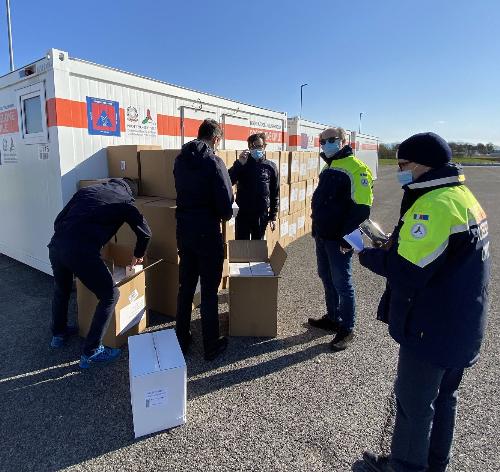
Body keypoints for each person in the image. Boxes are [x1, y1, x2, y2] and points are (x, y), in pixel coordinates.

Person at [359, 133, 490, 472]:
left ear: (420, 164)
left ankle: (404, 466)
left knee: (414, 404)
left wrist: (366, 253)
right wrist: (398, 243)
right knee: (445, 399)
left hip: (431, 327)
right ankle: (434, 464)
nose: (401, 171)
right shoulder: (461, 195)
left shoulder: (432, 205)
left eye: (403, 165)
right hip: (462, 321)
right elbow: (437, 254)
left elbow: (408, 271)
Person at [48, 178, 151, 369]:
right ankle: (92, 351)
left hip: (56, 245)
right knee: (111, 294)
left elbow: (58, 220)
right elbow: (145, 233)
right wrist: (138, 254)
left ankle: (58, 334)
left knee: (61, 289)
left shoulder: (87, 191)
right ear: (130, 193)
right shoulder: (125, 201)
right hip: (81, 251)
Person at [308, 127, 373, 350]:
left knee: (342, 282)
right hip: (323, 235)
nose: (326, 144)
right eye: (323, 141)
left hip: (340, 240)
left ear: (344, 141)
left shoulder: (357, 169)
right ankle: (333, 318)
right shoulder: (329, 166)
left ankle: (347, 327)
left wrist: (349, 239)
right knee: (325, 276)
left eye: (331, 140)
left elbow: (362, 209)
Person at [174, 119, 234, 361]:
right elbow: (225, 202)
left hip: (184, 230)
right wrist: (225, 212)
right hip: (207, 232)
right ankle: (211, 344)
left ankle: (181, 338)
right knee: (209, 290)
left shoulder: (179, 160)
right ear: (216, 139)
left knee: (186, 287)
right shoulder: (214, 162)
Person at [228, 133, 279, 240]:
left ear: (264, 146)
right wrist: (239, 163)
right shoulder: (242, 164)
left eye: (259, 146)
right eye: (252, 147)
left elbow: (275, 192)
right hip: (243, 213)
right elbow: (228, 181)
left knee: (258, 248)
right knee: (242, 247)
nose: (256, 149)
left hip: (261, 214)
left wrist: (273, 216)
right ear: (249, 148)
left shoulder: (270, 166)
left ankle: (257, 257)